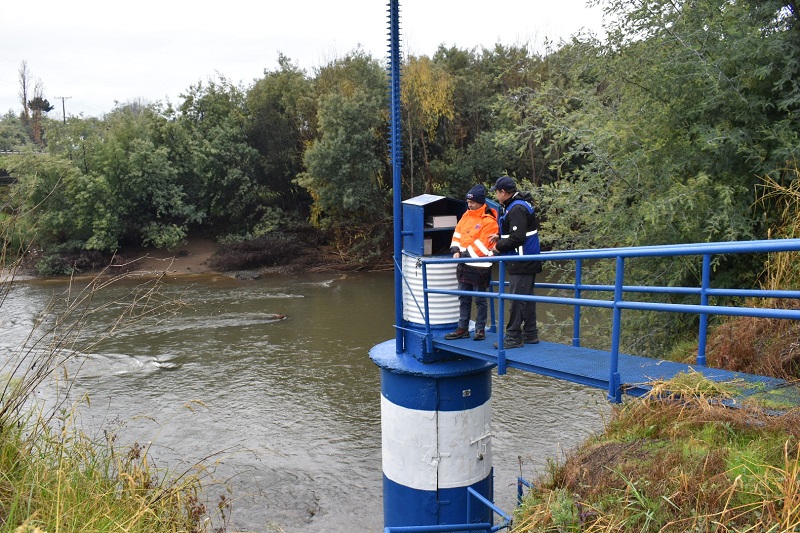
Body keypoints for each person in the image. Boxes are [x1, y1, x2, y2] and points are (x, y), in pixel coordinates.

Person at [488, 176, 541, 349]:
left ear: (503, 192)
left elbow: (518, 237)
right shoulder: (516, 205)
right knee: (525, 297)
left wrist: (498, 246)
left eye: (496, 192)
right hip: (526, 258)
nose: (495, 195)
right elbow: (517, 231)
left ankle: (513, 337)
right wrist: (500, 236)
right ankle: (531, 334)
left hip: (522, 260)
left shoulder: (516, 208)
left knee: (516, 299)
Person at [444, 184, 499, 341]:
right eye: (468, 202)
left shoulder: (489, 220)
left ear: (481, 202)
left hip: (480, 266)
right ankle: (463, 329)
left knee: (480, 300)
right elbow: (457, 235)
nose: (470, 204)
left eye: (473, 202)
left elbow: (483, 246)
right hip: (463, 263)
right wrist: (455, 251)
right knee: (464, 297)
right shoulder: (466, 216)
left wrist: (463, 254)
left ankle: (480, 330)